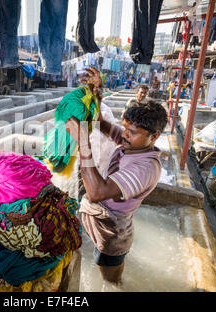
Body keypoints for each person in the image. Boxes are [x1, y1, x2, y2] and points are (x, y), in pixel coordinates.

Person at [66, 67, 167, 285]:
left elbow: (96, 192)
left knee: (110, 282)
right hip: (103, 223)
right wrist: (96, 92)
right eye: (125, 127)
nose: (125, 134)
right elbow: (100, 123)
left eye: (133, 131)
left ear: (155, 136)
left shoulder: (146, 167)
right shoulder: (132, 144)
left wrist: (83, 142)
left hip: (113, 233)